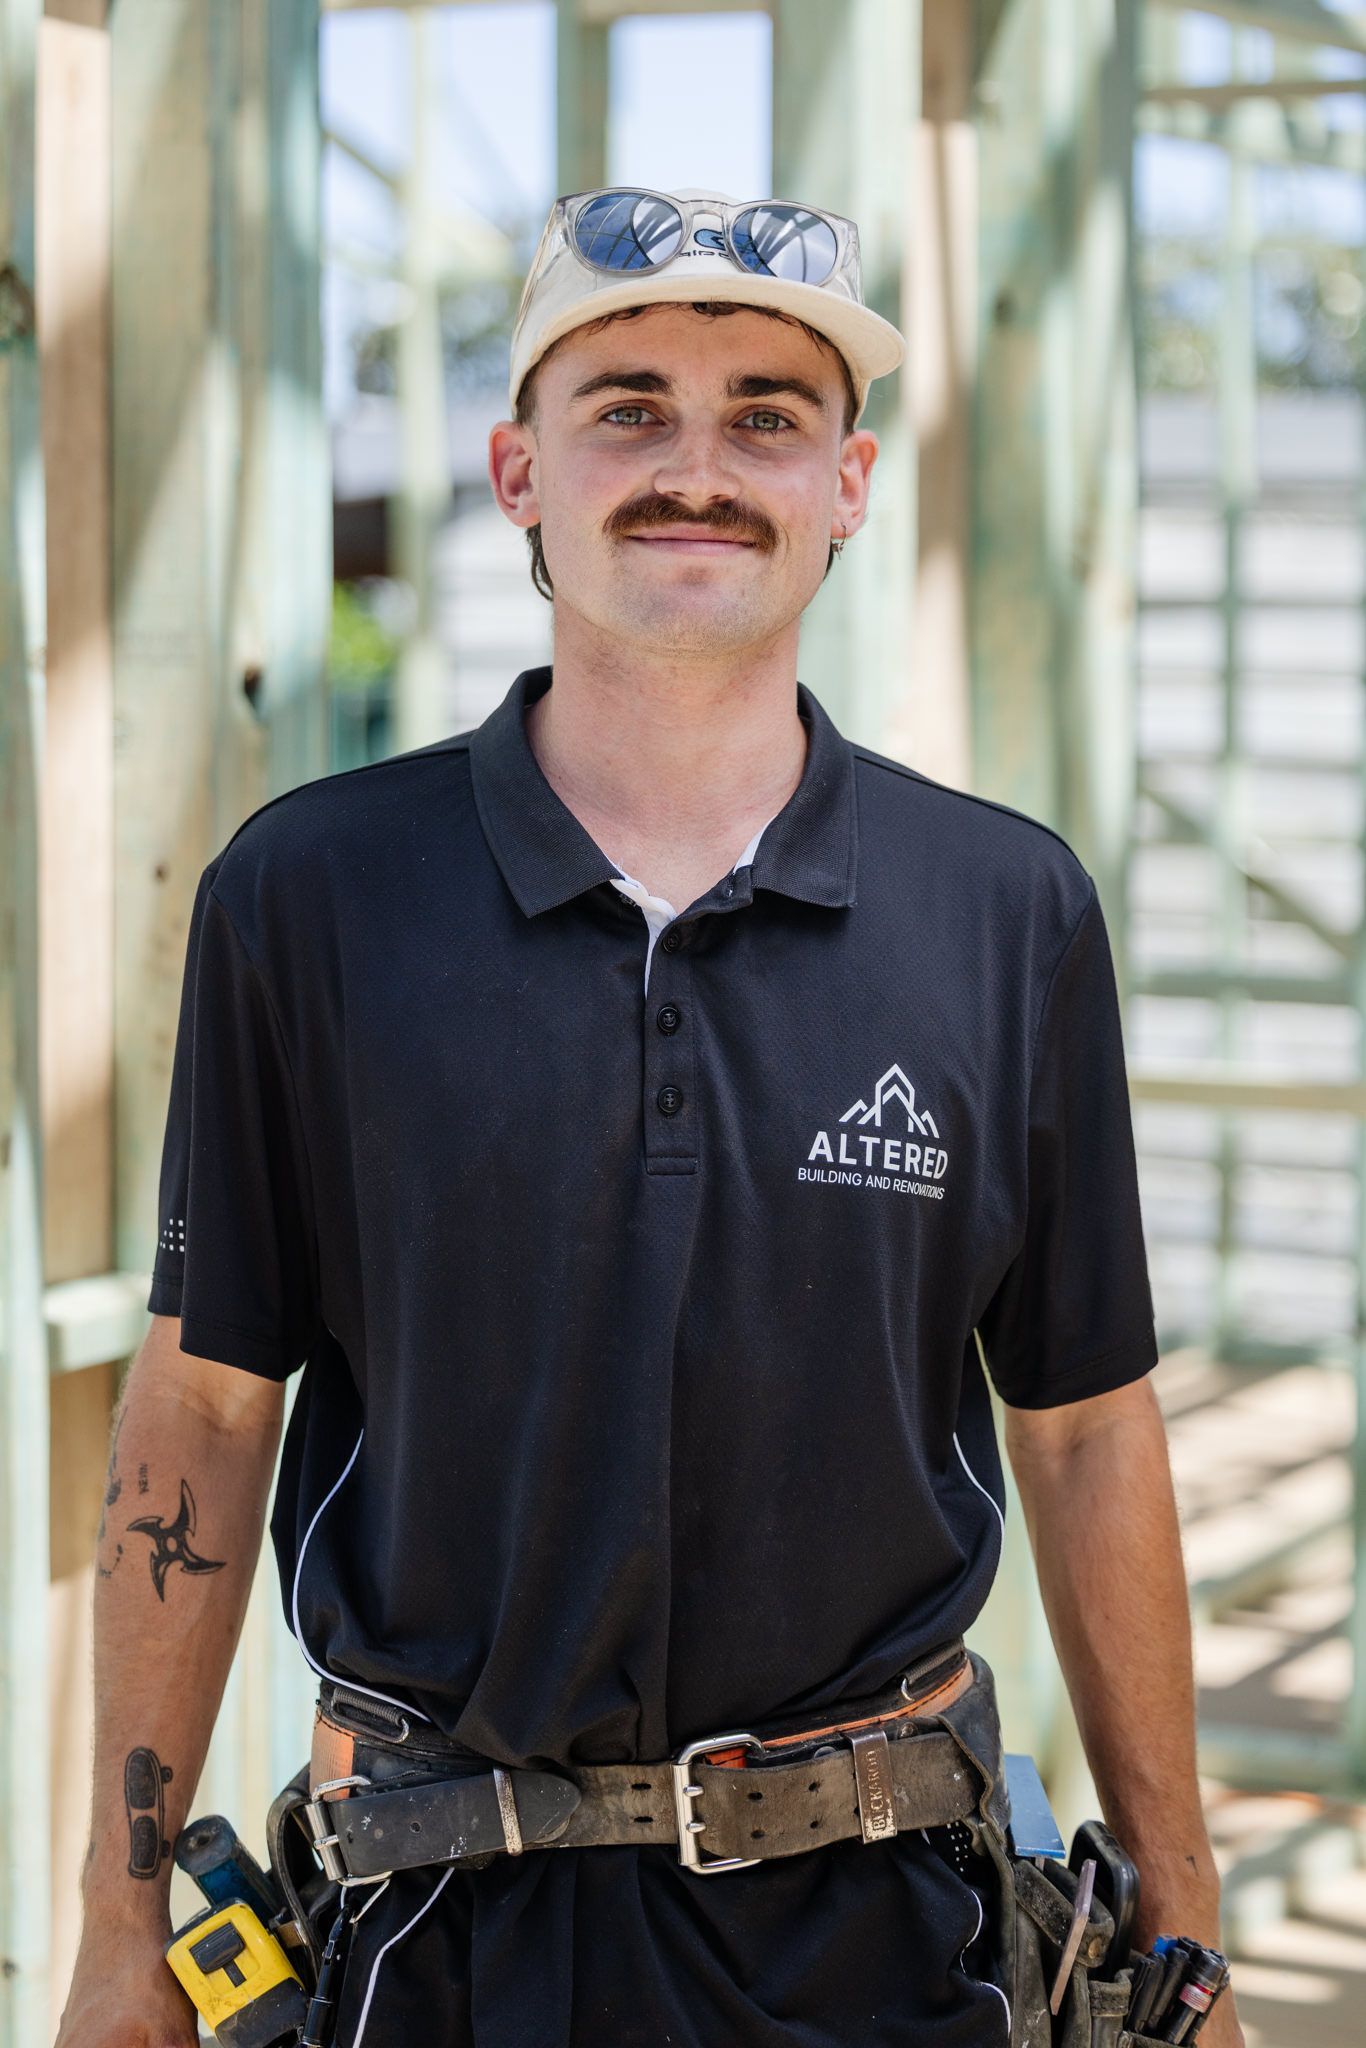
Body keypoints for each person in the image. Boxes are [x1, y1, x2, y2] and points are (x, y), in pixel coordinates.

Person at [57, 185, 1243, 2048]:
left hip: (888, 1939)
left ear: (844, 484)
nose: (697, 466)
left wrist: (1181, 1938)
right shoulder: (313, 896)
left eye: (764, 416)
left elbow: (1086, 1431)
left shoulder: (1005, 913)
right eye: (629, 408)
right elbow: (206, 1406)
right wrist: (119, 1942)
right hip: (428, 1936)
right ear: (519, 467)